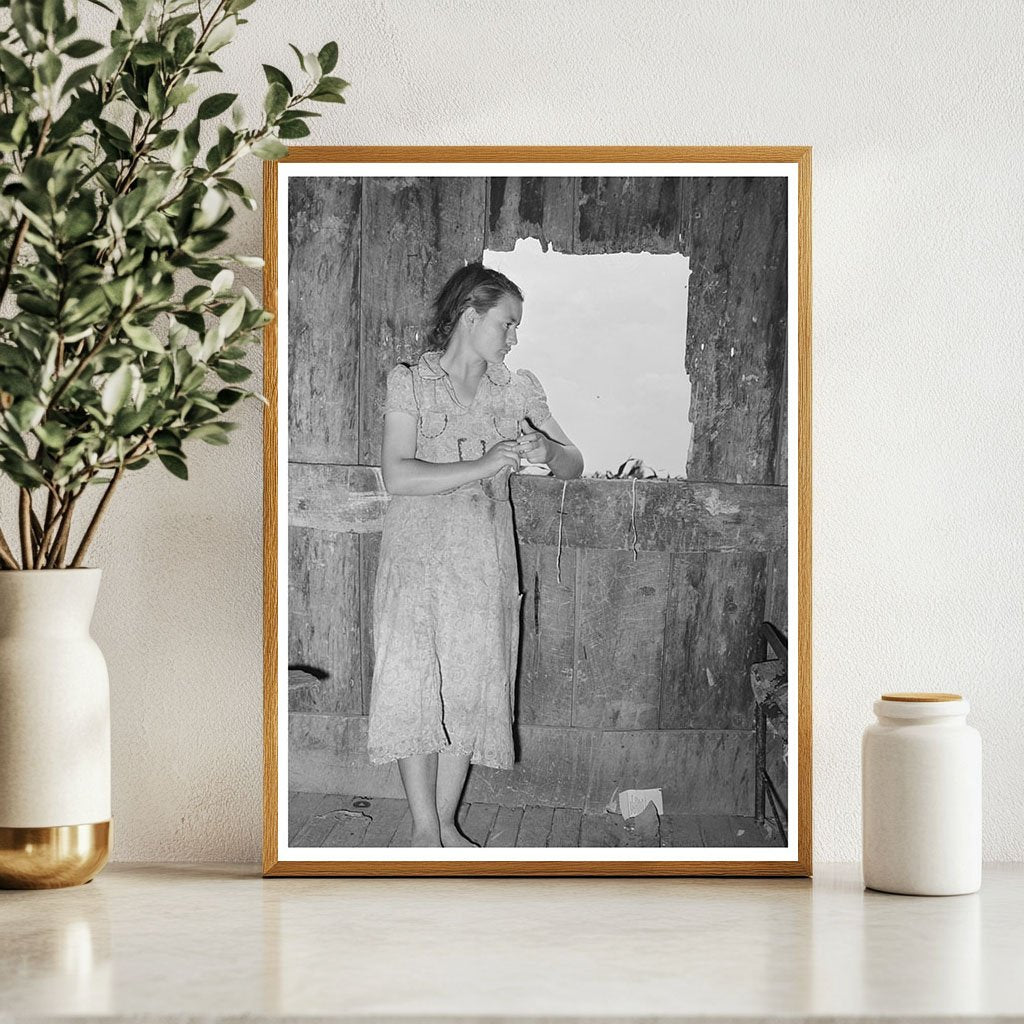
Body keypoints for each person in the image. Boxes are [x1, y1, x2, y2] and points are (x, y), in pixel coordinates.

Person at [367, 262, 584, 848]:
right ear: (470, 316)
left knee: (469, 685)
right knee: (412, 684)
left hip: (482, 563)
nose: (514, 338)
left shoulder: (518, 389)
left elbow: (574, 463)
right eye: (507, 323)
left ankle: (444, 825)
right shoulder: (409, 381)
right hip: (414, 561)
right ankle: (421, 831)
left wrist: (547, 448)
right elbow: (398, 476)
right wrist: (486, 463)